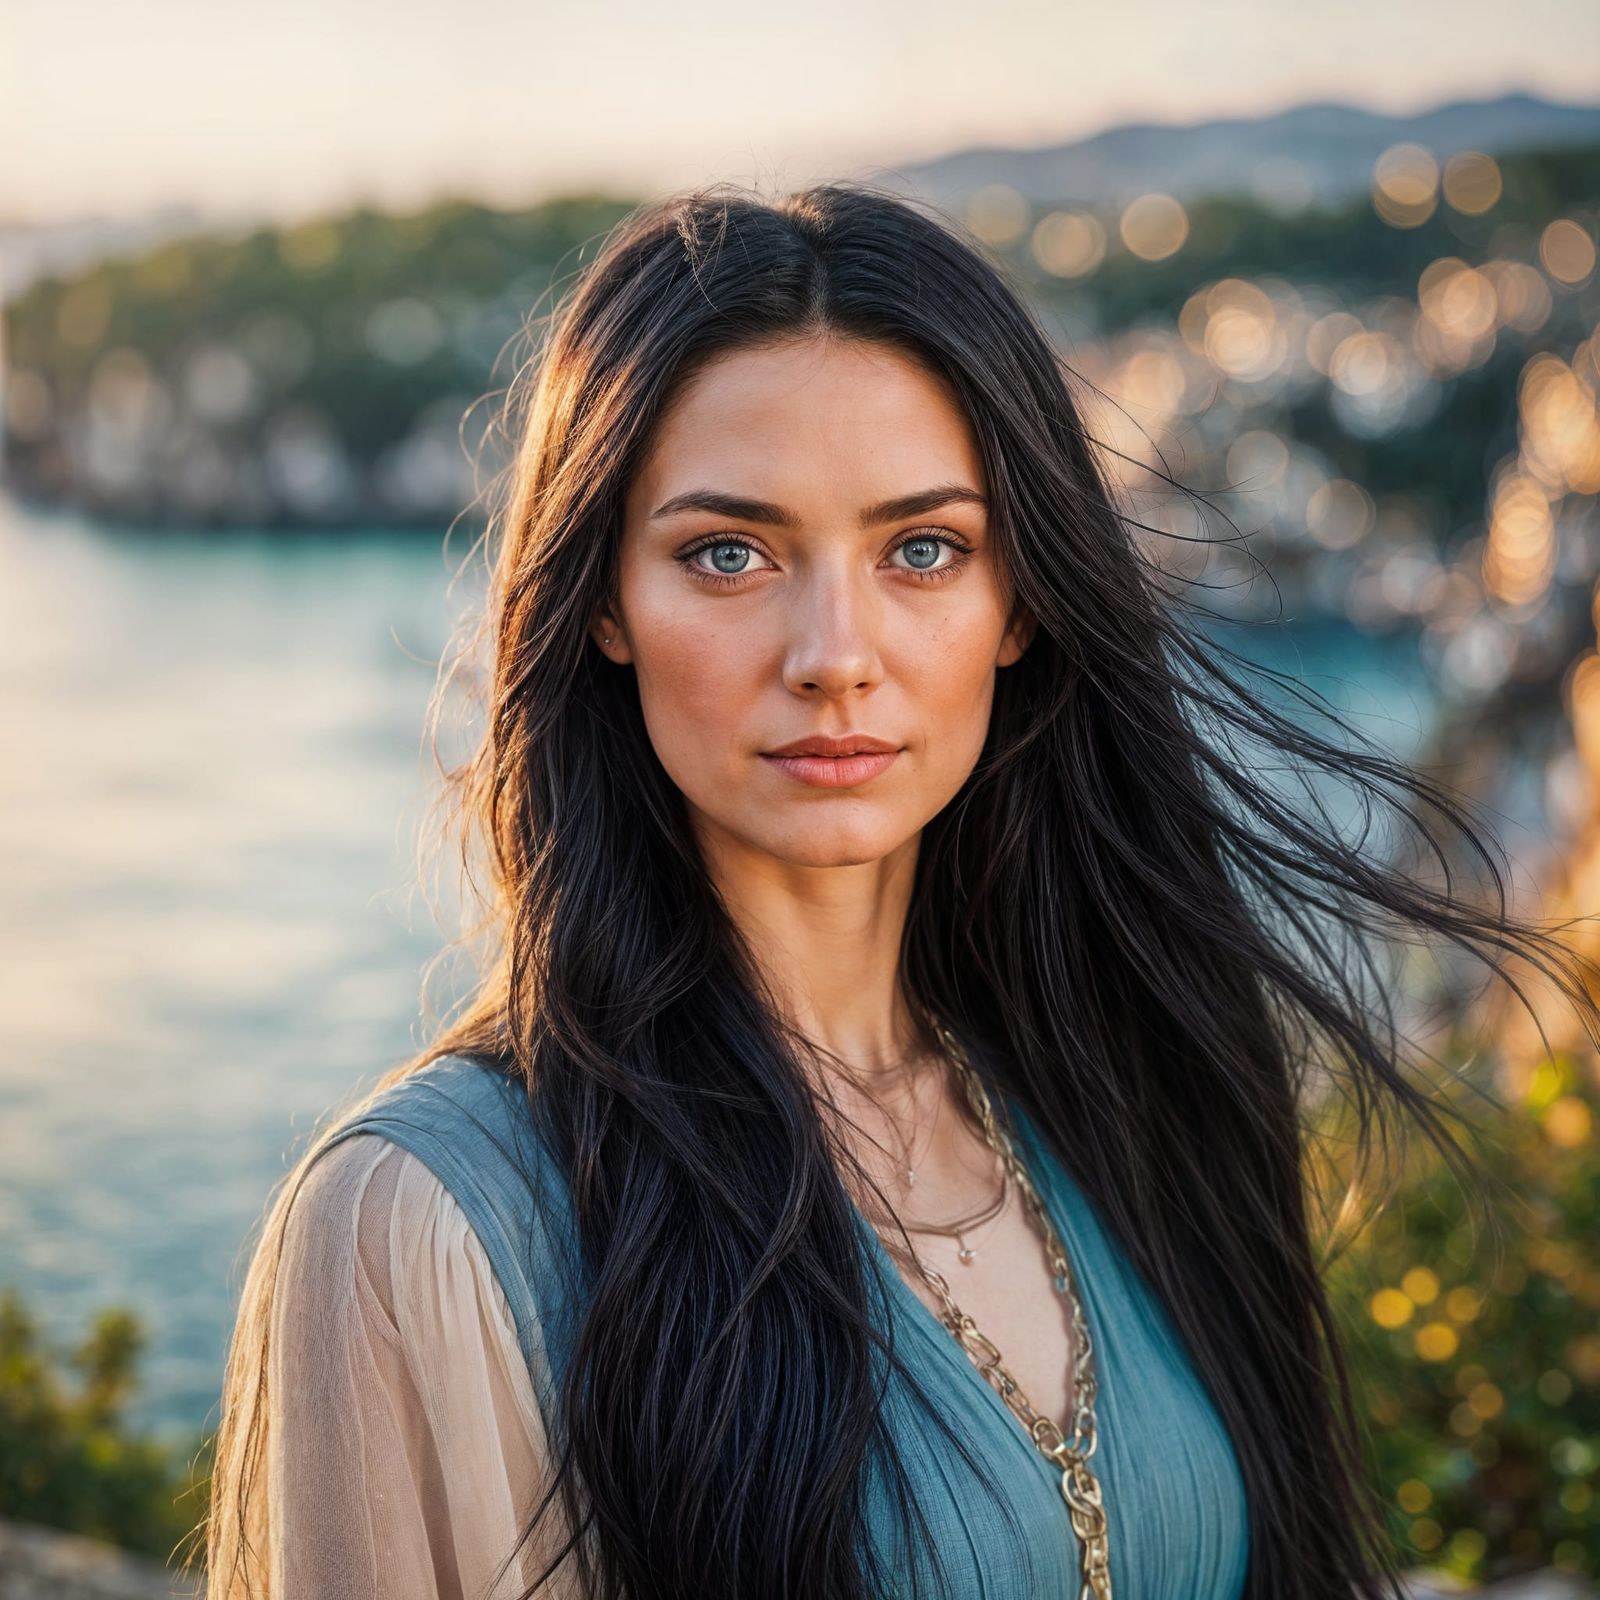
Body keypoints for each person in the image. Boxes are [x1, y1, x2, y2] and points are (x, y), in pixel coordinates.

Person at [201, 181, 1598, 1600]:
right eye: (727, 554)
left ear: (1021, 603)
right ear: (604, 601)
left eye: (922, 549)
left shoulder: (1126, 1085)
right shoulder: (421, 1225)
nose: (834, 653)